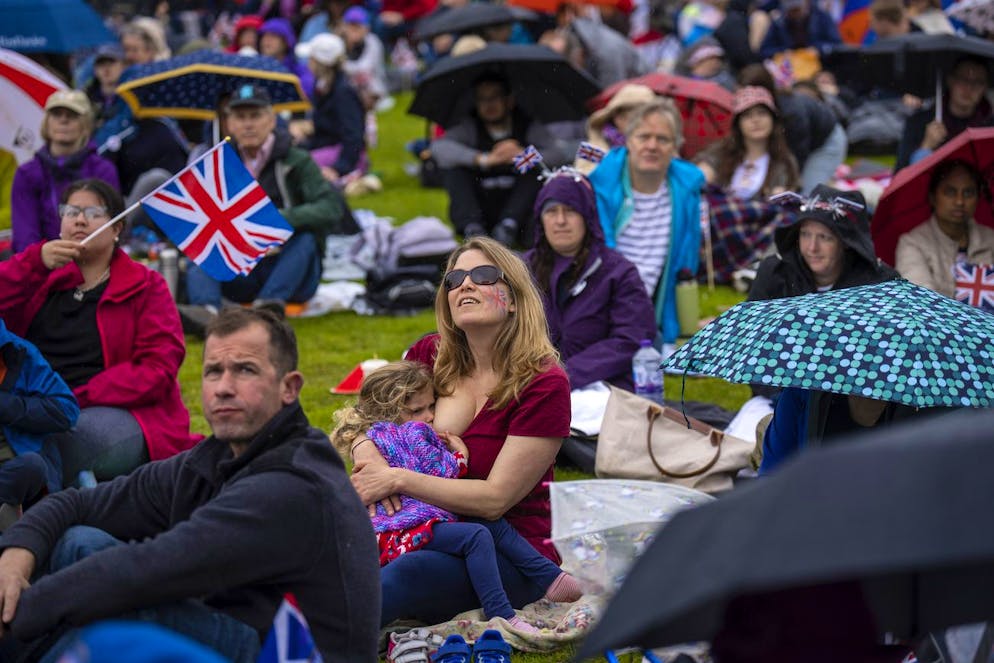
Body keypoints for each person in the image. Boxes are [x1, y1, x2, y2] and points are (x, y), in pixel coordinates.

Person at [0, 308, 380, 662]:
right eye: (213, 371)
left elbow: (148, 571)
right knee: (79, 543)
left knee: (112, 611)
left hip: (290, 653)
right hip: (238, 625)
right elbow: (79, 504)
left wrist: (18, 614)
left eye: (245, 370)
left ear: (289, 387)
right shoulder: (214, 457)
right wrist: (17, 551)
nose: (224, 387)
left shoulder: (294, 483)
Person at [351, 237, 571, 626]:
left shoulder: (544, 383)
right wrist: (365, 451)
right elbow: (367, 420)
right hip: (417, 524)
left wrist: (397, 478)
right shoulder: (427, 356)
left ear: (515, 298)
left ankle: (314, 647)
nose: (465, 285)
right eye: (454, 279)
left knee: (407, 573)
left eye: (483, 275)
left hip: (507, 550)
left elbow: (494, 500)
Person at [332, 361, 580, 633]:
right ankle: (332, 630)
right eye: (418, 410)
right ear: (387, 411)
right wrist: (461, 456)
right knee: (472, 537)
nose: (429, 417)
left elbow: (489, 500)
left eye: (432, 406)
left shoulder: (542, 382)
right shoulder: (425, 381)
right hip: (408, 525)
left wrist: (391, 472)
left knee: (487, 525)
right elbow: (443, 473)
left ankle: (551, 578)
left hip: (438, 518)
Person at [0, 178, 196, 486]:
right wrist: (33, 263)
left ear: (117, 228)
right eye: (70, 211)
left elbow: (157, 369)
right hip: (33, 406)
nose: (79, 219)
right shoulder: (40, 278)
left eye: (93, 212)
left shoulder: (146, 286)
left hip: (113, 411)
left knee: (59, 441)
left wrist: (79, 396)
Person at [180, 84, 356, 332]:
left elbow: (330, 207)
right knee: (201, 238)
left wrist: (278, 219)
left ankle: (268, 307)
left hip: (288, 267)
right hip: (240, 265)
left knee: (307, 238)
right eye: (240, 117)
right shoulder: (217, 163)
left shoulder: (296, 160)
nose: (248, 124)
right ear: (229, 124)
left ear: (272, 120)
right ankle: (206, 312)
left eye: (255, 116)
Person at [588, 98, 705, 349]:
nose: (652, 146)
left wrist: (681, 326)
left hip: (652, 308)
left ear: (675, 147)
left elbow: (685, 265)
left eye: (662, 139)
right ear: (628, 141)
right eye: (644, 137)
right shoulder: (600, 187)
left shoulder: (686, 193)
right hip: (603, 300)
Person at [523, 168, 656, 390]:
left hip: (600, 387)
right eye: (551, 211)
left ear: (588, 216)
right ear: (540, 219)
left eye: (571, 211)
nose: (561, 220)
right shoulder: (520, 270)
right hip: (529, 385)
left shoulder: (619, 273)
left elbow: (631, 338)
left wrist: (564, 373)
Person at [431, 72, 567, 245]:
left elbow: (558, 153)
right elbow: (439, 148)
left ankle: (508, 226)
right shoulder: (469, 125)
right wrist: (484, 159)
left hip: (519, 208)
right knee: (454, 170)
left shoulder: (527, 124)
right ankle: (473, 230)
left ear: (509, 100)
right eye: (482, 99)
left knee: (535, 170)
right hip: (480, 202)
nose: (489, 105)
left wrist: (523, 156)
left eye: (494, 97)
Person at [11, 90, 120, 254]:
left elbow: (108, 229)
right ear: (46, 123)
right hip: (42, 265)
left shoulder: (103, 171)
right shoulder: (26, 173)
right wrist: (43, 260)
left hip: (91, 260)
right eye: (56, 114)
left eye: (72, 115)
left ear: (86, 124)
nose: (63, 120)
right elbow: (25, 236)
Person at [750, 184, 897, 300]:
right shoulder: (775, 273)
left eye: (824, 237)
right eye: (805, 234)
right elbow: (751, 324)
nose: (812, 248)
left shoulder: (878, 284)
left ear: (845, 242)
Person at [0, 320, 79, 521]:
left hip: (18, 475)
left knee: (31, 466)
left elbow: (66, 411)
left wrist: (6, 405)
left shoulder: (20, 353)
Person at [738, 63, 847, 195]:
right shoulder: (770, 106)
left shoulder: (791, 112)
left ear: (765, 90)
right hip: (803, 140)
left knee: (808, 195)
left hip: (827, 142)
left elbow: (798, 155)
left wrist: (790, 184)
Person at [895, 159, 994, 299]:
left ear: (978, 198)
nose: (960, 201)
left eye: (968, 193)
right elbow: (920, 301)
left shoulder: (990, 239)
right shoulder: (913, 243)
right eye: (950, 192)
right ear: (933, 197)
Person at [696, 85, 801, 201]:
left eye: (762, 113)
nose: (755, 120)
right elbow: (699, 173)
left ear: (773, 120)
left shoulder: (784, 162)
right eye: (747, 115)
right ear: (738, 124)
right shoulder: (720, 153)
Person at [292, 33, 367, 186]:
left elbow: (353, 135)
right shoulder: (324, 86)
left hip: (343, 156)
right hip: (326, 146)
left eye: (311, 59)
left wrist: (339, 168)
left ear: (321, 63)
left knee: (297, 167)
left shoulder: (343, 92)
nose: (308, 64)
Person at [895, 57, 993, 172]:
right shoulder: (919, 122)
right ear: (950, 80)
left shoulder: (990, 129)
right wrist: (926, 146)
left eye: (977, 82)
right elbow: (900, 175)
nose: (969, 88)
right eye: (963, 79)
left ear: (985, 87)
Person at [576, 84, 656, 175]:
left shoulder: (657, 146)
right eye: (627, 115)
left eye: (645, 117)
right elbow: (584, 178)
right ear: (615, 117)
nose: (639, 123)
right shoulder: (592, 148)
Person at [758, 0, 842, 59]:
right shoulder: (779, 22)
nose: (795, 14)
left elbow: (836, 45)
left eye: (797, 9)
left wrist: (819, 50)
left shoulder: (822, 18)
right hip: (788, 67)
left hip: (819, 65)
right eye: (791, 10)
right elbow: (765, 50)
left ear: (806, 3)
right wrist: (782, 52)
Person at [258, 18, 316, 98]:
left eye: (273, 36)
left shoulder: (299, 71)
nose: (267, 40)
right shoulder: (254, 66)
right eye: (265, 35)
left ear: (286, 42)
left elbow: (305, 93)